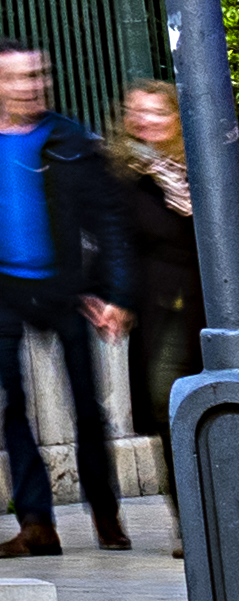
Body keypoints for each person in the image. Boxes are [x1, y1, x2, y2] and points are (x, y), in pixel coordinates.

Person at [0, 42, 136, 556]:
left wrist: (112, 293)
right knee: (13, 408)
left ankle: (105, 513)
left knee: (88, 409)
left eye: (36, 75)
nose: (29, 86)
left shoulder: (70, 140)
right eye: (15, 77)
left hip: (67, 290)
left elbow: (109, 222)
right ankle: (36, 524)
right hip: (3, 292)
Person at [123, 84, 207, 544]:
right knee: (167, 405)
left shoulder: (210, 162)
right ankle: (190, 520)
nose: (145, 121)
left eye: (157, 112)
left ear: (178, 117)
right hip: (163, 310)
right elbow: (115, 243)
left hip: (214, 302)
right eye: (137, 113)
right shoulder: (128, 174)